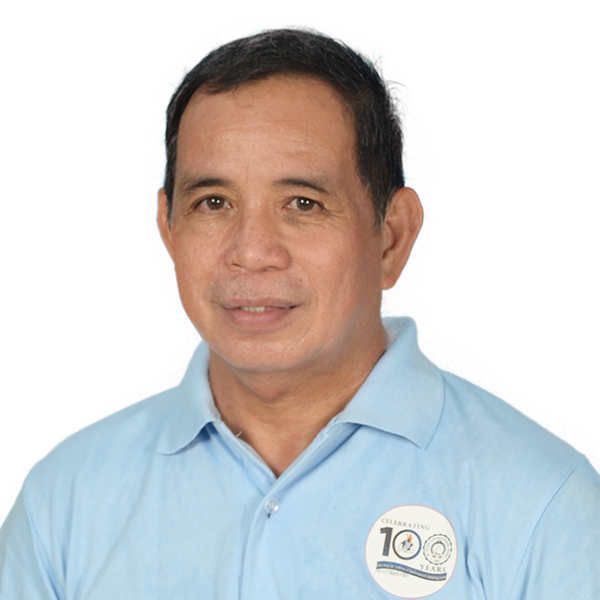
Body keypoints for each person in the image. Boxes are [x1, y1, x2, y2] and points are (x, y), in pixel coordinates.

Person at [1, 28, 599, 600]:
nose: (251, 251)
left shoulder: (545, 507)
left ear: (391, 237)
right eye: (213, 202)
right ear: (169, 227)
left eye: (303, 203)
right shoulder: (62, 505)